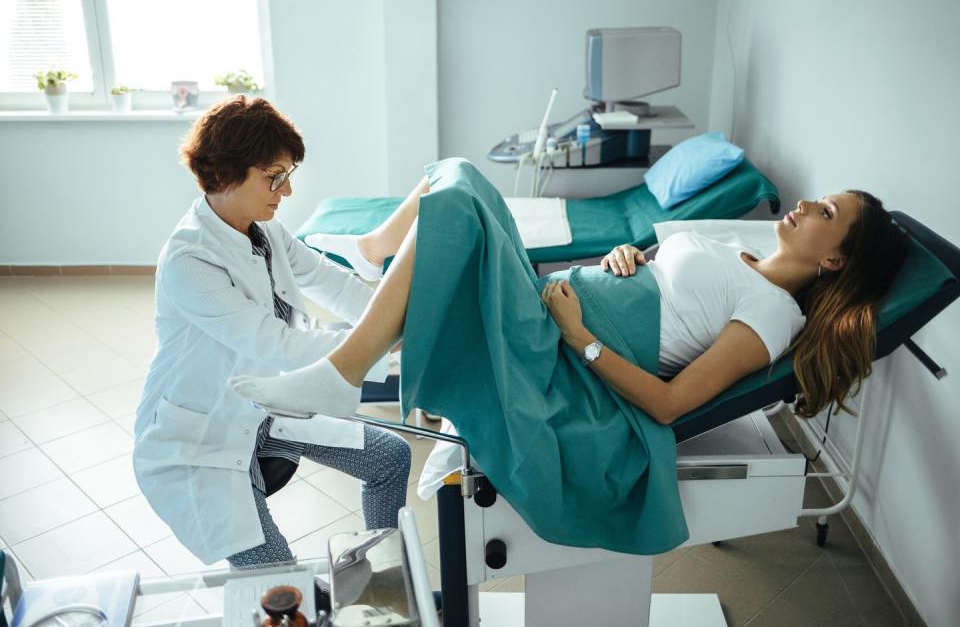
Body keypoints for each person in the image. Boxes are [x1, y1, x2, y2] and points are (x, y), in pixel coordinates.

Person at [229, 159, 909, 552]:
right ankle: (376, 252)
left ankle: (341, 374)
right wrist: (629, 255)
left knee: (459, 207)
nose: (806, 204)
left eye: (825, 211)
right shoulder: (740, 256)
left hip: (555, 349)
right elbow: (662, 283)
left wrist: (580, 333)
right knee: (457, 171)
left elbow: (670, 402)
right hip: (555, 303)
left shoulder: (771, 314)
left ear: (833, 258)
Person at [132, 96, 415, 568]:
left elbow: (331, 281)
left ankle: (383, 584)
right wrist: (381, 341)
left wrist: (396, 321)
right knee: (280, 585)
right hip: (200, 442)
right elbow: (276, 346)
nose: (285, 192)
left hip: (259, 410)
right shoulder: (190, 260)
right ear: (225, 173)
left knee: (390, 458)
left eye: (287, 176)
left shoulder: (265, 232)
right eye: (274, 177)